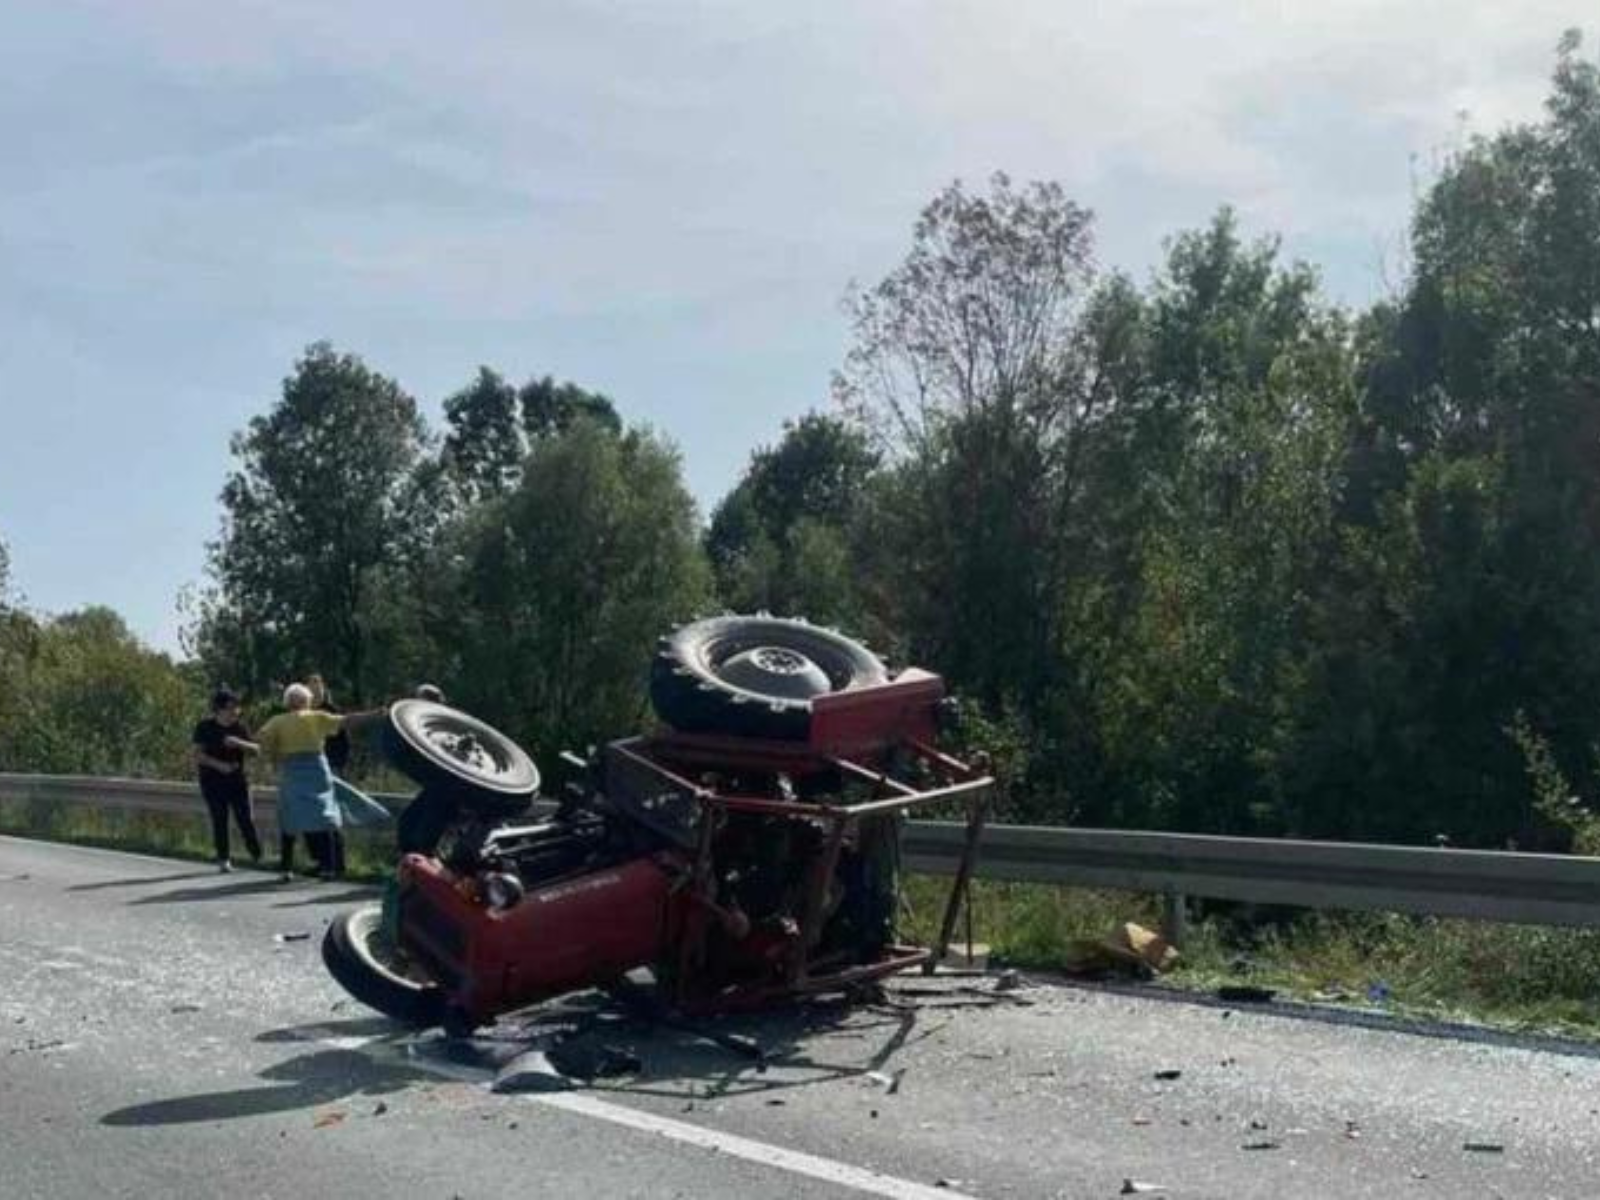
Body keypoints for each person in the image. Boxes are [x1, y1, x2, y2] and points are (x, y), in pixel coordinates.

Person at [255, 684, 384, 882]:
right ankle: (329, 867)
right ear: (306, 701)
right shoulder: (317, 717)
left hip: (292, 771)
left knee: (289, 816)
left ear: (287, 702)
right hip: (317, 769)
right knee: (325, 815)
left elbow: (262, 739)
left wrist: (273, 756)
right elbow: (347, 720)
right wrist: (373, 714)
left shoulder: (277, 721)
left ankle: (286, 868)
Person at [191, 688, 262, 872]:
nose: (234, 712)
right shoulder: (204, 727)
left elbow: (256, 750)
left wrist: (238, 743)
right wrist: (219, 765)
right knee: (220, 819)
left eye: (236, 708)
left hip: (237, 780)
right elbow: (197, 754)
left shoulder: (240, 727)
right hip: (212, 781)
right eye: (230, 708)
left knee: (245, 819)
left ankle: (257, 855)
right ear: (218, 709)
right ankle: (224, 859)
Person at [306, 673, 352, 877]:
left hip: (329, 768)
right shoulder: (302, 713)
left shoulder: (330, 712)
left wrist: (337, 767)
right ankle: (320, 860)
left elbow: (344, 742)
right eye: (311, 688)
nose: (315, 692)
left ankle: (336, 863)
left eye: (318, 688)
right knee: (309, 816)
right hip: (307, 769)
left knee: (329, 816)